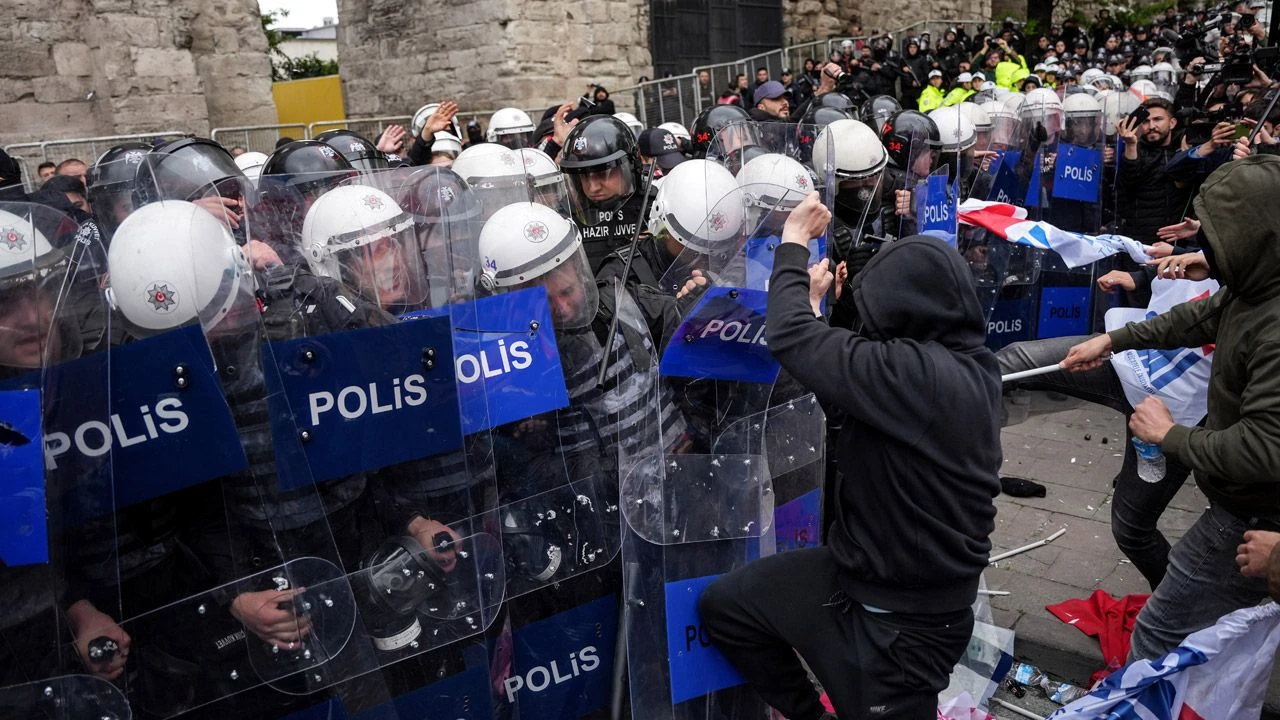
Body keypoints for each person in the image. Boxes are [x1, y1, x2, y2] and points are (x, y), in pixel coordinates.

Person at [700, 192, 1001, 720]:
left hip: (907, 624)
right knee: (728, 607)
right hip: (858, 576)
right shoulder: (964, 363)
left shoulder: (922, 377)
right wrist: (817, 314)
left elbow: (790, 337)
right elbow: (846, 390)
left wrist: (791, 243)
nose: (869, 324)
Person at [1061, 155, 1280, 662]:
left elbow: (1265, 449)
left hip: (1252, 511)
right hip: (1240, 502)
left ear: (1255, 235)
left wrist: (1168, 435)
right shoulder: (1254, 285)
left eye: (1220, 238)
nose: (1207, 251)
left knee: (1158, 634)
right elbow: (1195, 318)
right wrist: (1114, 339)